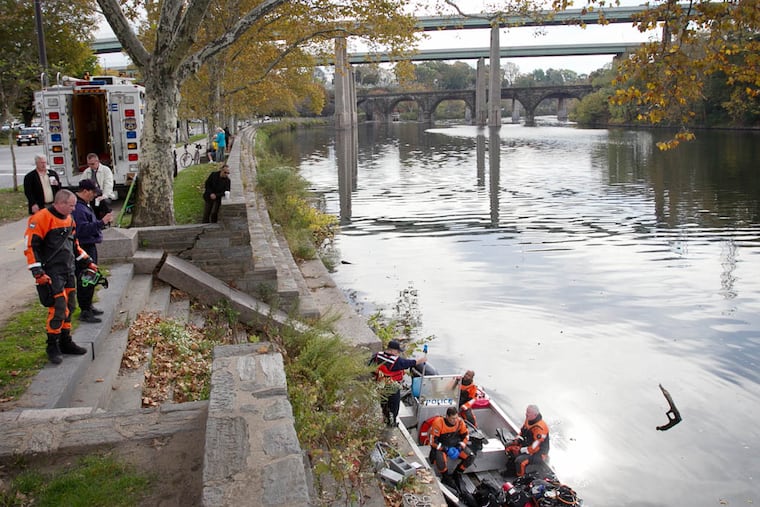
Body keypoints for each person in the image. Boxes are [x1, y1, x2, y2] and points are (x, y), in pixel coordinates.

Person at [24, 189, 98, 364]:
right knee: (58, 308)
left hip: (68, 270)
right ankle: (52, 345)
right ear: (61, 203)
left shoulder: (69, 220)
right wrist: (38, 272)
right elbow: (31, 247)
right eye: (71, 206)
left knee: (70, 306)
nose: (73, 209)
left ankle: (66, 341)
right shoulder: (41, 219)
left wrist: (87, 261)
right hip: (51, 273)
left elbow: (74, 245)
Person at [72, 179, 113, 323]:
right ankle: (84, 310)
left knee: (91, 277)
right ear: (85, 191)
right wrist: (101, 223)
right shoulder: (78, 208)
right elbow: (81, 230)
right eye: (93, 193)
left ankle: (88, 306)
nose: (94, 196)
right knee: (85, 278)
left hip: (89, 245)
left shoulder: (84, 205)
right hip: (83, 248)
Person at [369, 339, 427, 426]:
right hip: (393, 386)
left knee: (384, 402)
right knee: (394, 406)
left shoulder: (378, 355)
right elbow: (408, 363)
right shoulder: (395, 361)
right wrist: (420, 360)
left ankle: (385, 417)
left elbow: (370, 366)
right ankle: (391, 423)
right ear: (392, 350)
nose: (398, 354)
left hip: (381, 384)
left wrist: (376, 375)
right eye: (397, 351)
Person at [429, 406, 475, 480]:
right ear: (447, 416)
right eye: (453, 418)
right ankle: (445, 477)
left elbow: (466, 436)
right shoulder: (438, 423)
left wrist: (460, 447)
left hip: (456, 446)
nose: (455, 420)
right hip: (442, 447)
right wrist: (446, 449)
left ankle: (458, 473)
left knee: (471, 456)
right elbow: (433, 442)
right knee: (441, 461)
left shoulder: (460, 422)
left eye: (456, 418)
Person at [508, 404, 551, 477]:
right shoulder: (528, 419)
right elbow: (522, 431)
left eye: (528, 412)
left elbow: (535, 447)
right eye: (526, 411)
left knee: (520, 461)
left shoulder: (540, 428)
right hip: (528, 445)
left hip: (539, 453)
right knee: (509, 447)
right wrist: (517, 439)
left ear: (535, 415)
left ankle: (520, 478)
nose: (526, 414)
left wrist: (521, 450)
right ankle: (510, 471)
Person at [81, 153, 115, 219]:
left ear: (98, 162)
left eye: (92, 164)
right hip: (91, 195)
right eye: (89, 164)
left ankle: (106, 220)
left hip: (103, 194)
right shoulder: (86, 172)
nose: (90, 166)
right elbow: (82, 184)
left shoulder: (106, 170)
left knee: (103, 202)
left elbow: (108, 184)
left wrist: (104, 195)